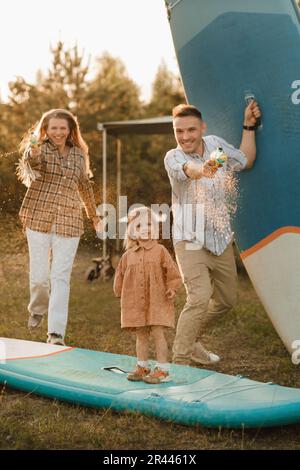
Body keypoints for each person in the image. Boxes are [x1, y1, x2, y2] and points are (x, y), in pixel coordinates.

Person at [164, 101, 261, 365]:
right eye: (179, 131)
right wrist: (202, 170)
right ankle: (180, 362)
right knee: (198, 299)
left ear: (202, 128)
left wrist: (248, 126)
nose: (184, 137)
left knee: (226, 301)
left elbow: (246, 159)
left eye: (190, 130)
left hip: (219, 239)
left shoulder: (216, 144)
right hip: (190, 240)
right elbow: (188, 171)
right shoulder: (173, 156)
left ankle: (192, 338)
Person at [17, 109, 102, 345]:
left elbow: (84, 186)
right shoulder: (40, 149)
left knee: (60, 277)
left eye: (62, 128)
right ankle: (37, 308)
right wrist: (32, 150)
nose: (58, 132)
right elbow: (32, 161)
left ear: (70, 130)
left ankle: (55, 334)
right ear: (46, 129)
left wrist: (94, 217)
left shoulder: (79, 155)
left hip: (69, 221)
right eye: (53, 128)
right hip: (38, 218)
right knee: (40, 278)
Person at [113, 206, 182, 384]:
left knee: (158, 333)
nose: (145, 228)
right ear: (132, 231)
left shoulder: (160, 251)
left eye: (149, 224)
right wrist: (119, 291)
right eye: (139, 226)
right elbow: (119, 275)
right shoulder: (128, 256)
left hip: (158, 299)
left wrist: (172, 287)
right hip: (136, 301)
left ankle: (163, 370)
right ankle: (142, 366)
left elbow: (173, 272)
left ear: (156, 227)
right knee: (141, 334)